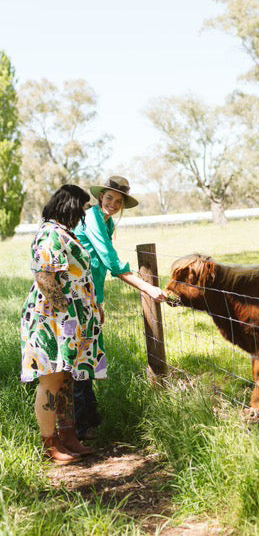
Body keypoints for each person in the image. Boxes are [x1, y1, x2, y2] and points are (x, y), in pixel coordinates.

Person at [70, 175, 166, 440]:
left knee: (87, 355)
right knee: (80, 356)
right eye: (109, 197)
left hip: (90, 293)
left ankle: (90, 418)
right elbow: (110, 261)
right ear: (101, 196)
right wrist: (146, 287)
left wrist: (99, 301)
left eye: (118, 201)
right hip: (75, 294)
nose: (112, 203)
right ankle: (80, 426)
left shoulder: (106, 221)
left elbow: (98, 265)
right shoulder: (92, 218)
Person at [21, 185, 105, 463]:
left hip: (68, 320)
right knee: (52, 380)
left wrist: (90, 310)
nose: (83, 214)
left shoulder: (62, 233)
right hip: (53, 321)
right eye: (82, 207)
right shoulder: (50, 234)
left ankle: (68, 436)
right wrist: (67, 317)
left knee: (66, 380)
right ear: (69, 206)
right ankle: (50, 443)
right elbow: (45, 278)